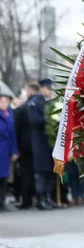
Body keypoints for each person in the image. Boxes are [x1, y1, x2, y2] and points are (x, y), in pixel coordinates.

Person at [27, 79, 56, 210]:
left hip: (50, 142)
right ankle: (41, 198)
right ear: (41, 88)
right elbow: (34, 121)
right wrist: (49, 118)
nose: (49, 90)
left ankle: (49, 197)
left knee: (51, 172)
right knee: (41, 173)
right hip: (40, 142)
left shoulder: (51, 102)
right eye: (47, 88)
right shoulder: (34, 102)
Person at [13, 82, 36, 210]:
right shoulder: (33, 106)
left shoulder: (21, 109)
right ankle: (30, 198)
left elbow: (16, 129)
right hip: (32, 145)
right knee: (31, 173)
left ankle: (26, 200)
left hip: (23, 146)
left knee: (26, 173)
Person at [0, 92, 18, 212]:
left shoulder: (9, 114)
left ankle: (2, 202)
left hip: (6, 148)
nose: (5, 104)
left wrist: (14, 151)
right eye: (2, 101)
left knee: (5, 177)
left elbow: (13, 134)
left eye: (7, 101)